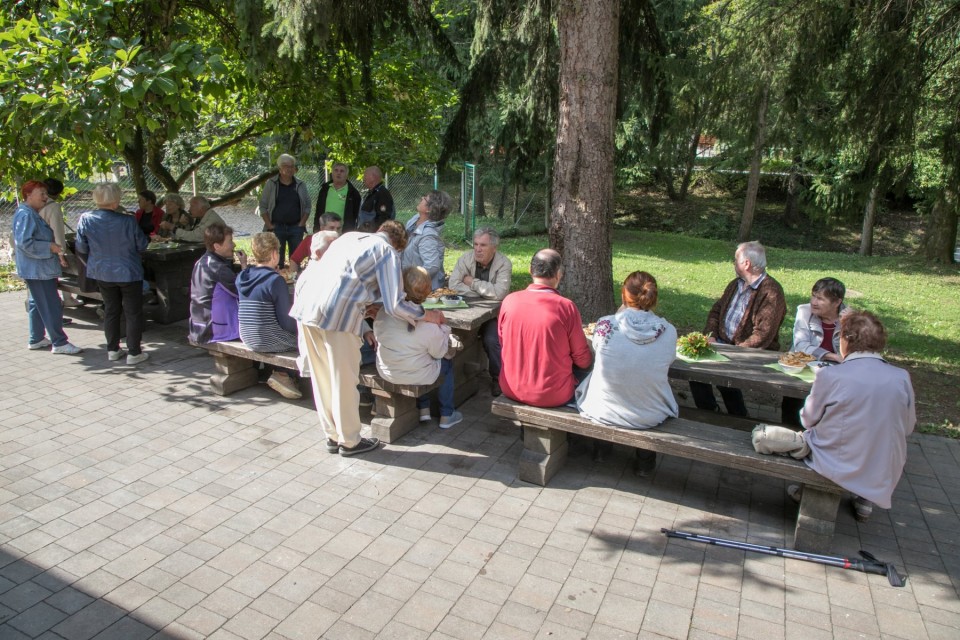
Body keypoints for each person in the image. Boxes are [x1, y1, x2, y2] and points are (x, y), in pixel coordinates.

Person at [290, 220, 446, 457]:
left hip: (307, 308)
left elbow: (345, 280)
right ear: (399, 246)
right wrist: (426, 315)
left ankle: (332, 435)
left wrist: (368, 305)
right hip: (338, 317)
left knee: (322, 377)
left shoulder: (348, 238)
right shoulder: (387, 252)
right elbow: (395, 304)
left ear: (380, 230)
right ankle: (350, 441)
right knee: (343, 379)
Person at [752, 311, 916, 522]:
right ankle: (864, 500)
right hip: (883, 465)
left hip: (837, 462)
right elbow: (908, 427)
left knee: (810, 439)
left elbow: (808, 420)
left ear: (846, 340)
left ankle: (814, 496)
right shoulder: (901, 377)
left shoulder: (830, 375)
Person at [575, 271, 678, 474]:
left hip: (602, 409)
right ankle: (645, 462)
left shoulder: (605, 324)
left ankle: (601, 450)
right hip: (649, 414)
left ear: (623, 295)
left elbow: (598, 349)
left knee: (596, 382)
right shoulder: (668, 331)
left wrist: (620, 313)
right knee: (644, 387)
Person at [690, 241, 786, 417]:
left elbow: (763, 335)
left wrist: (732, 352)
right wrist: (710, 336)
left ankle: (739, 418)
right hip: (721, 345)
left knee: (725, 378)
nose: (733, 263)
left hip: (750, 353)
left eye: (735, 260)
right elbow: (716, 311)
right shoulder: (735, 284)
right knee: (694, 370)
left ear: (746, 264)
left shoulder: (772, 292)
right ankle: (709, 412)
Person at [498, 248, 592, 407]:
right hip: (552, 394)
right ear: (559, 274)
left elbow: (503, 342)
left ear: (530, 270)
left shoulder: (509, 301)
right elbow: (582, 360)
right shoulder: (566, 307)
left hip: (511, 387)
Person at [375, 266, 463, 429]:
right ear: (427, 291)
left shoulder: (383, 312)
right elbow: (440, 352)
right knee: (444, 361)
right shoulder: (430, 326)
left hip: (387, 370)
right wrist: (444, 327)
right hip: (416, 374)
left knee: (419, 357)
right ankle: (447, 414)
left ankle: (424, 408)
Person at [75, 182, 151, 365]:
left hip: (102, 272)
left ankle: (112, 349)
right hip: (128, 271)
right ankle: (134, 352)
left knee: (111, 310)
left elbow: (80, 247)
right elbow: (142, 244)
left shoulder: (85, 218)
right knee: (133, 312)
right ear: (116, 201)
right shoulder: (127, 220)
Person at [13, 180, 82, 355]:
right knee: (51, 304)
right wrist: (50, 247)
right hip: (38, 270)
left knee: (37, 302)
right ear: (28, 195)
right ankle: (59, 342)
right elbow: (25, 243)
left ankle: (36, 338)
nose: (45, 197)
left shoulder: (29, 212)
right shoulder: (26, 214)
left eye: (45, 193)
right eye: (41, 194)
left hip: (38, 268)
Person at [236, 232, 301, 399]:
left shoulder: (242, 276)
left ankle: (284, 375)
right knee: (305, 340)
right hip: (267, 339)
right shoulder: (275, 280)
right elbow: (286, 321)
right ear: (273, 254)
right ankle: (284, 375)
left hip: (246, 335)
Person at [449, 227, 513, 396]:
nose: (477, 249)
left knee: (492, 340)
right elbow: (453, 285)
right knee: (455, 333)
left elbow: (500, 293)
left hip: (492, 314)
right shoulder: (465, 259)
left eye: (483, 245)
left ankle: (498, 379)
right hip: (466, 310)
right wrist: (486, 292)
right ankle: (456, 382)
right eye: (475, 244)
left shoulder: (504, 263)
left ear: (494, 247)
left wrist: (472, 282)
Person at [781, 277, 848, 423]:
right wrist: (833, 356)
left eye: (820, 299)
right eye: (813, 296)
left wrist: (846, 325)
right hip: (802, 371)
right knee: (792, 403)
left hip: (835, 377)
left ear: (837, 302)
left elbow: (852, 352)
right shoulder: (804, 311)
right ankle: (789, 435)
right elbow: (800, 345)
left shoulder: (850, 318)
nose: (813, 302)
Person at [188, 223, 247, 344]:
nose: (234, 245)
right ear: (217, 246)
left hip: (199, 325)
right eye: (230, 241)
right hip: (215, 329)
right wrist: (244, 266)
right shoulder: (218, 268)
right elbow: (244, 291)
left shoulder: (202, 261)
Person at [259, 153, 311, 267]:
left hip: (296, 228)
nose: (290, 169)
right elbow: (262, 206)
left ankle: (295, 281)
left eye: (292, 166)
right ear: (280, 168)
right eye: (286, 166)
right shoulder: (271, 183)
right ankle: (279, 281)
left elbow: (308, 206)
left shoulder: (300, 184)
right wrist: (269, 225)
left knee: (296, 259)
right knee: (277, 260)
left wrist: (301, 224)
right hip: (277, 227)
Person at [38, 178, 82, 308]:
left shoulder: (30, 204)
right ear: (58, 193)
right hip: (48, 249)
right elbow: (57, 232)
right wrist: (62, 253)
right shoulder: (53, 206)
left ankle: (62, 300)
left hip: (33, 250)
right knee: (68, 263)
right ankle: (65, 300)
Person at [402, 191, 453, 289]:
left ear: (429, 209)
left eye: (425, 198)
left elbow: (432, 266)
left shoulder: (428, 236)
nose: (421, 198)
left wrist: (411, 281)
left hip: (422, 291)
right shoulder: (415, 220)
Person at [314, 162, 360, 232]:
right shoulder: (325, 189)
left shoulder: (353, 193)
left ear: (346, 175)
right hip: (325, 230)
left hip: (342, 232)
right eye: (336, 170)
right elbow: (318, 210)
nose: (338, 173)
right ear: (332, 173)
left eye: (342, 171)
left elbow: (356, 215)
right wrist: (316, 228)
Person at [159, 195, 226, 244]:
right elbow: (188, 236)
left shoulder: (211, 220)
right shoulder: (200, 218)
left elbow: (193, 237)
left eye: (192, 206)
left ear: (202, 208)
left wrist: (172, 227)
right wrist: (185, 226)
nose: (189, 209)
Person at [356, 166, 395, 231]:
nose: (363, 178)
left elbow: (383, 218)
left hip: (373, 235)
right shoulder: (372, 193)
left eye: (365, 175)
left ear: (373, 177)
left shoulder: (382, 194)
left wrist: (373, 232)